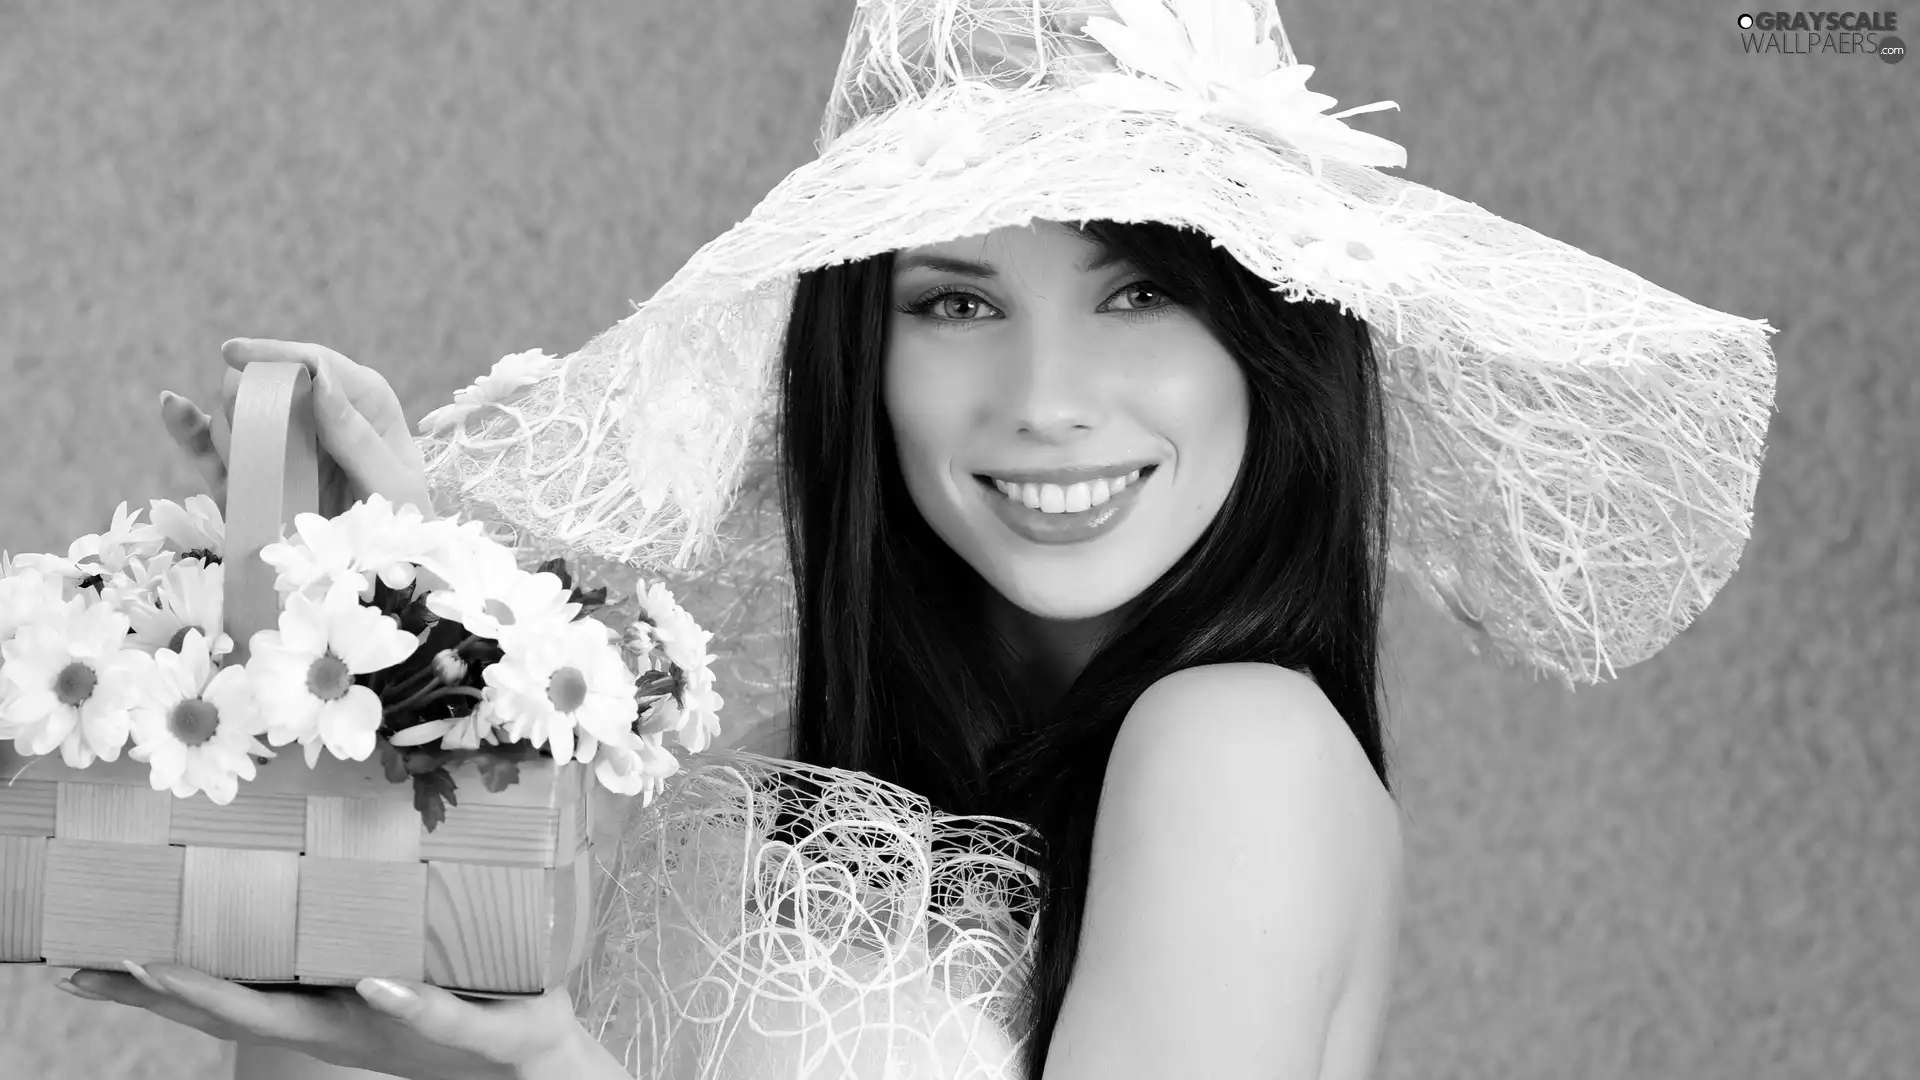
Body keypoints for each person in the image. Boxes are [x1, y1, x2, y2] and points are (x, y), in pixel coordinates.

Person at [54, 2, 1775, 1078]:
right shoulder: (804, 757)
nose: (1045, 400)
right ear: (858, 358)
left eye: (1142, 291)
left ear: (1275, 345)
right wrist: (403, 642)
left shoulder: (1236, 748)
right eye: (957, 300)